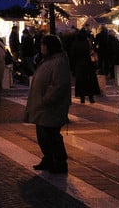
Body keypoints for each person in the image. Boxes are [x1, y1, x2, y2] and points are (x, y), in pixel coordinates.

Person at [24, 34, 72, 175]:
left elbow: (59, 85)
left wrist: (46, 99)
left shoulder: (59, 61)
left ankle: (59, 161)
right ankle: (49, 158)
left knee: (51, 135)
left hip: (51, 107)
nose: (41, 47)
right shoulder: (48, 60)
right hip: (43, 106)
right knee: (43, 134)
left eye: (43, 45)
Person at [70, 28, 101, 104]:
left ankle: (82, 98)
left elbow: (72, 54)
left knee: (81, 81)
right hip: (88, 63)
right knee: (90, 81)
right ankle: (91, 97)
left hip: (79, 64)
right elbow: (92, 51)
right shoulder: (88, 42)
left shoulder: (75, 43)